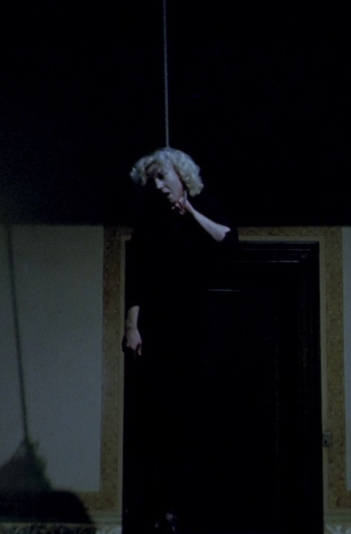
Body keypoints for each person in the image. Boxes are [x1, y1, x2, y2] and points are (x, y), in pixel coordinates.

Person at [122, 147, 237, 534]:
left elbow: (227, 240)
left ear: (180, 176)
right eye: (150, 180)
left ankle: (187, 509)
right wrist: (131, 327)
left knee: (197, 419)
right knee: (158, 421)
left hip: (199, 327)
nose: (157, 185)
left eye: (162, 176)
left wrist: (190, 211)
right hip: (161, 328)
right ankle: (158, 512)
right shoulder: (149, 222)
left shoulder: (205, 208)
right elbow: (138, 277)